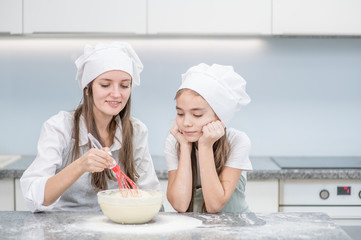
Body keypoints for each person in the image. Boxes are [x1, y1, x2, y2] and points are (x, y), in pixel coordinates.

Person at [20, 42, 161, 212]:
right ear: (88, 88)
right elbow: (35, 198)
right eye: (105, 85)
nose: (116, 94)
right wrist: (80, 166)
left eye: (124, 85)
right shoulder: (60, 127)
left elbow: (151, 195)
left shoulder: (136, 131)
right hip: (63, 229)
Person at [165, 63, 252, 213]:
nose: (186, 123)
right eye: (180, 113)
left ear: (220, 116)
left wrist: (205, 146)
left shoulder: (237, 141)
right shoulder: (174, 142)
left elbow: (214, 206)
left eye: (197, 115)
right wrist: (185, 147)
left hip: (235, 229)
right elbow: (180, 205)